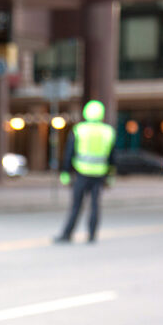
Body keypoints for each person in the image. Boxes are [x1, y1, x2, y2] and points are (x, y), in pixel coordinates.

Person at [54, 100, 116, 244]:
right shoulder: (108, 132)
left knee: (76, 206)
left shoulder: (79, 130)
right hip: (99, 174)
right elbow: (112, 157)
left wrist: (65, 172)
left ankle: (67, 234)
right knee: (95, 205)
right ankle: (92, 235)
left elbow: (69, 153)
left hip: (82, 173)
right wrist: (111, 176)